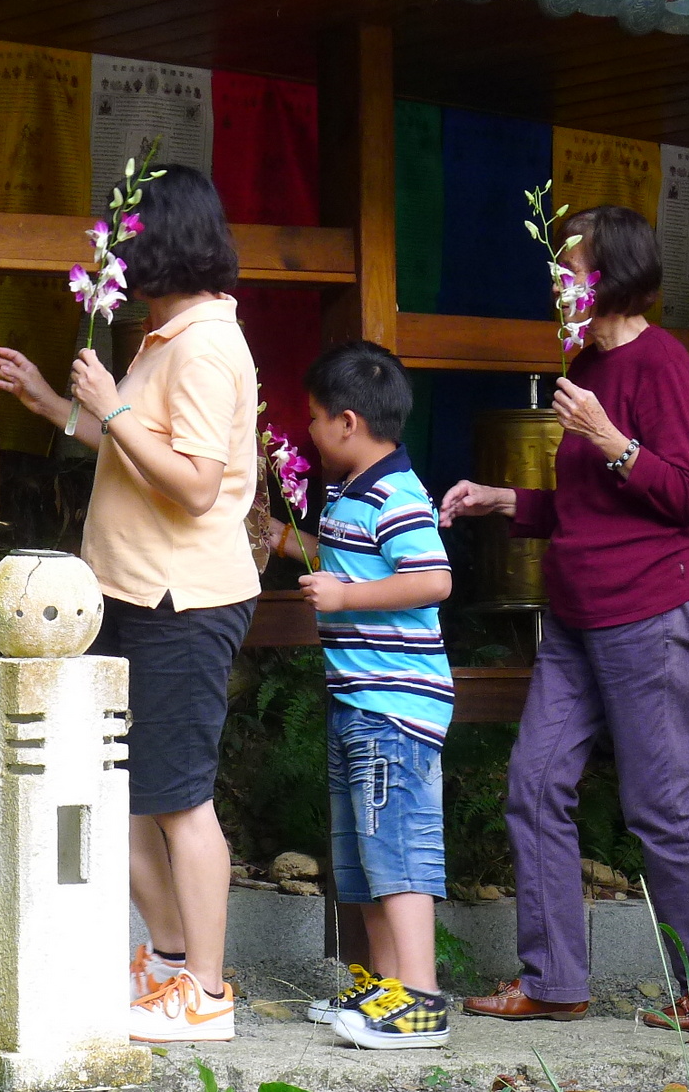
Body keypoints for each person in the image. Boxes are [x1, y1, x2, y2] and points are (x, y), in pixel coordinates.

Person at [440, 204, 689, 1032]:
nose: (557, 282)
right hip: (576, 616)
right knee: (534, 785)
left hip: (649, 609)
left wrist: (610, 437)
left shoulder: (662, 362)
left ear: (611, 274)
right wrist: (505, 500)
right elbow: (588, 505)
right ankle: (553, 980)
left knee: (658, 803)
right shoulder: (585, 363)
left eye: (569, 267)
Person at [0, 165, 260, 1043]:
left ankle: (205, 992)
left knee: (181, 800)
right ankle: (171, 959)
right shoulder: (164, 335)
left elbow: (196, 484)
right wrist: (56, 406)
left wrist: (108, 406)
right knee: (129, 796)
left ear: (163, 241)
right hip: (133, 590)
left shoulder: (205, 344)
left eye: (127, 236)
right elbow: (135, 449)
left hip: (184, 598)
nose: (117, 255)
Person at [268, 341, 453, 1050]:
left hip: (394, 705)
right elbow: (345, 557)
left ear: (348, 422)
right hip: (359, 699)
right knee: (366, 853)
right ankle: (387, 984)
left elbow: (432, 579)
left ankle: (422, 999)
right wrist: (283, 540)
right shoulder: (350, 491)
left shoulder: (396, 493)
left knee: (397, 848)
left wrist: (345, 598)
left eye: (315, 419)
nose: (309, 431)